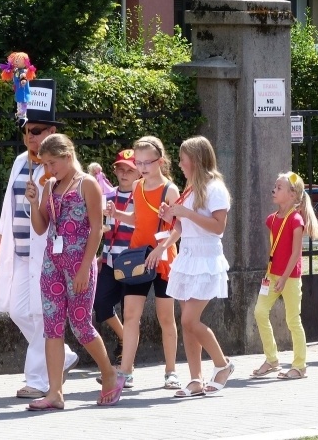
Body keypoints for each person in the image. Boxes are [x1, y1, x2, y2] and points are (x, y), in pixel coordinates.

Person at [24, 134, 125, 410]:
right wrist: (34, 203)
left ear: (68, 156)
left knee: (80, 325)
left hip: (79, 263)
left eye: (52, 162)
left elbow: (96, 229)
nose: (48, 169)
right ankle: (55, 392)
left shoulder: (88, 184)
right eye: (44, 164)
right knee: (52, 328)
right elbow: (41, 227)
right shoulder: (50, 186)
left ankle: (109, 373)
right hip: (52, 264)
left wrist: (84, 269)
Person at [0, 80, 79, 400]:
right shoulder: (19, 162)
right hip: (19, 250)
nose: (31, 136)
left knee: (42, 314)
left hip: (45, 251)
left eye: (38, 130)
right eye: (27, 130)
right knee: (18, 310)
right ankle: (63, 355)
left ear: (52, 131)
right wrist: (2, 239)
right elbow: (7, 205)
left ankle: (39, 380)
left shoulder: (57, 169)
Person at [154, 135, 233, 397]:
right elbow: (181, 226)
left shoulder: (215, 188)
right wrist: (171, 218)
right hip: (187, 258)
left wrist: (186, 213)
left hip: (206, 258)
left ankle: (222, 365)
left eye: (183, 159)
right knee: (187, 321)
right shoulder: (190, 188)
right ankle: (195, 379)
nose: (180, 163)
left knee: (190, 319)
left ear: (196, 160)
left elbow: (218, 227)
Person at [104, 136, 180, 390]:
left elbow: (179, 228)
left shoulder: (170, 189)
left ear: (160, 161)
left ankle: (171, 371)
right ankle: (125, 371)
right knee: (130, 314)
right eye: (139, 162)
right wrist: (118, 215)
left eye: (148, 162)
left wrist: (161, 248)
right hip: (138, 256)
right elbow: (137, 219)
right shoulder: (137, 187)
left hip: (163, 259)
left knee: (165, 317)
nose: (143, 167)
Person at [251, 171, 318, 379]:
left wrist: (283, 277)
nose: (274, 189)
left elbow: (296, 253)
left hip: (289, 278)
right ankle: (272, 359)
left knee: (292, 320)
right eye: (275, 186)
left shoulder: (296, 220)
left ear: (292, 195)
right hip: (272, 275)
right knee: (259, 312)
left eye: (279, 187)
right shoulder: (271, 219)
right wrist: (272, 274)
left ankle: (300, 366)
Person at [94, 150, 139, 365]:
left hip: (133, 262)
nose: (124, 173)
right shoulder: (107, 196)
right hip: (110, 260)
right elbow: (101, 228)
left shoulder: (142, 196)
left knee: (128, 311)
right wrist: (100, 256)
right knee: (100, 303)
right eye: (120, 168)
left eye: (129, 169)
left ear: (139, 171)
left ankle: (125, 360)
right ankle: (126, 339)